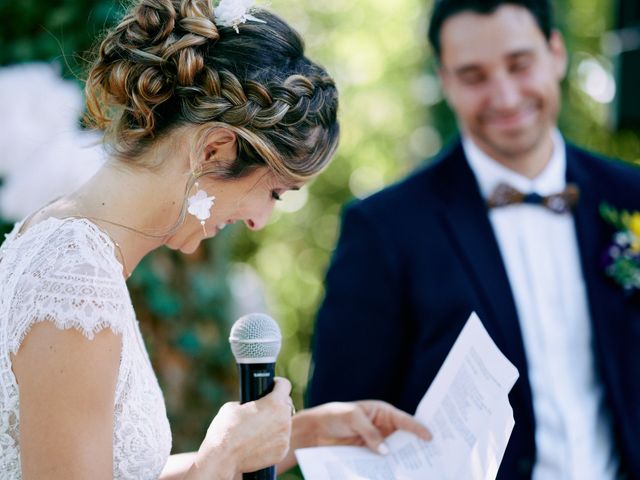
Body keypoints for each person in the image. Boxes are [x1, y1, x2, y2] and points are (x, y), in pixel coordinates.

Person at [0, 0, 432, 478]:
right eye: (274, 192)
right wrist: (222, 458)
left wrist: (304, 433)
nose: (260, 221)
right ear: (214, 149)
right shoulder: (74, 280)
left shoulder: (64, 245)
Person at [307, 0, 640, 478]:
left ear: (557, 54)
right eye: (474, 76)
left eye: (520, 65)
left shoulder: (630, 197)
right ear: (445, 81)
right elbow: (336, 433)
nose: (504, 96)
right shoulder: (384, 229)